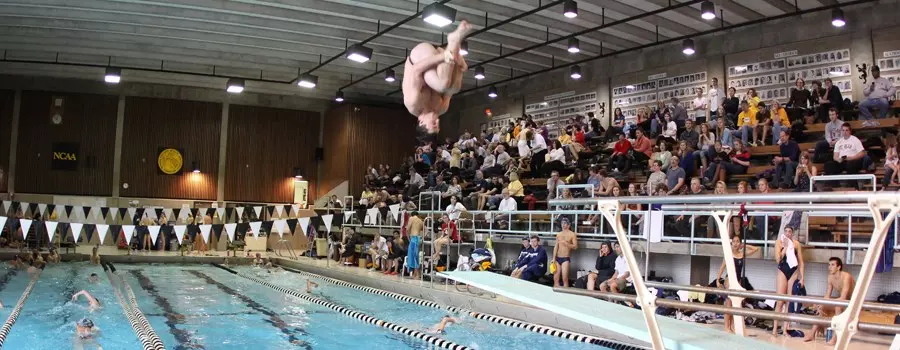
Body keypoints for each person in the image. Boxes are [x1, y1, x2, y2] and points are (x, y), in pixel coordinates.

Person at [402, 21, 473, 133]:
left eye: (433, 124)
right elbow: (453, 84)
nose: (438, 121)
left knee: (442, 85)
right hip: (440, 62)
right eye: (438, 125)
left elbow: (416, 69)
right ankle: (454, 49)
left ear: (421, 122)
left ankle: (453, 43)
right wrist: (461, 68)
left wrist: (443, 56)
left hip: (419, 56)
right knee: (453, 88)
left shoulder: (413, 103)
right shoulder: (442, 108)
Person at [804, 257, 856, 344]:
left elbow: (843, 297)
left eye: (832, 265)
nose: (829, 267)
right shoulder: (830, 277)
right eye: (829, 265)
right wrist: (821, 304)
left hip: (853, 301)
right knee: (822, 306)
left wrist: (828, 303)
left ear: (838, 267)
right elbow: (827, 295)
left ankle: (835, 337)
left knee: (837, 307)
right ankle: (812, 334)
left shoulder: (846, 277)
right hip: (843, 300)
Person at [715, 235, 759, 333]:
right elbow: (722, 267)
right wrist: (718, 280)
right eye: (734, 241)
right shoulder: (729, 254)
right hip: (729, 280)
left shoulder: (742, 254)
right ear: (731, 243)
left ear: (740, 243)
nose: (735, 243)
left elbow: (756, 249)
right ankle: (726, 327)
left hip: (738, 280)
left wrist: (745, 245)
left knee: (735, 305)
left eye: (737, 241)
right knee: (729, 303)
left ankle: (731, 326)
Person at [772, 226, 805, 337]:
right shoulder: (779, 242)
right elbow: (778, 259)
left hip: (793, 272)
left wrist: (802, 277)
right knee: (780, 301)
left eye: (789, 232)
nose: (787, 233)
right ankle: (775, 329)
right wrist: (785, 248)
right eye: (785, 231)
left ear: (792, 233)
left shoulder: (796, 244)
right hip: (782, 270)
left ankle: (785, 329)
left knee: (788, 301)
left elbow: (801, 261)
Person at [551, 218, 578, 288]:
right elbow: (556, 247)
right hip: (557, 258)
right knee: (555, 278)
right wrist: (553, 258)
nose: (563, 225)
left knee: (565, 278)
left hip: (565, 258)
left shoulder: (572, 234)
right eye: (562, 223)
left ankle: (566, 295)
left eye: (565, 223)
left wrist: (566, 243)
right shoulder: (559, 234)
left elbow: (575, 247)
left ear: (569, 225)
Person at [405, 211, 424, 279]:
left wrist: (408, 238)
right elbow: (426, 230)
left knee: (414, 257)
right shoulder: (420, 220)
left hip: (413, 239)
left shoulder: (411, 218)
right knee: (415, 256)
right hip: (418, 238)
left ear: (412, 215)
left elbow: (407, 229)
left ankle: (417, 274)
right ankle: (415, 274)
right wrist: (422, 237)